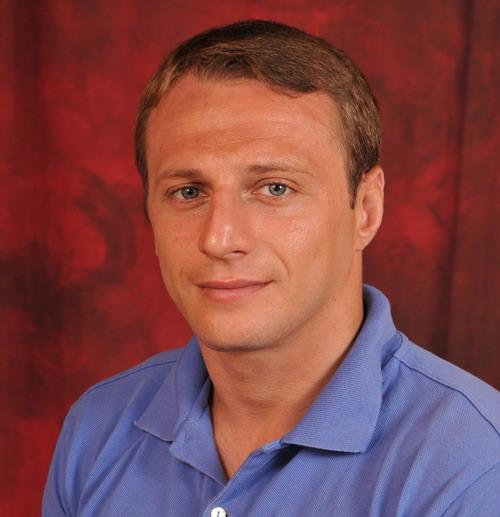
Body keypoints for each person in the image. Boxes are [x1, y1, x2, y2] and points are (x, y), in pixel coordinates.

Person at [43, 20, 499, 516]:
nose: (220, 239)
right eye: (188, 192)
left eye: (275, 188)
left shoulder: (473, 469)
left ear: (366, 210)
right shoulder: (97, 430)